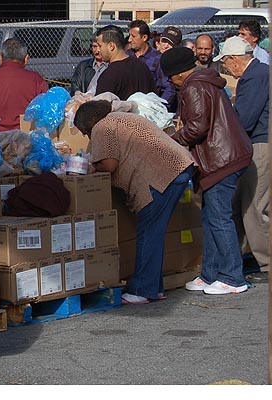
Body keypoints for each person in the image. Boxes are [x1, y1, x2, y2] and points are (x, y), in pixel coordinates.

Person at [73, 101, 195, 304]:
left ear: (88, 124)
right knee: (154, 230)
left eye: (85, 132)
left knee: (149, 231)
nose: (87, 136)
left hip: (158, 176)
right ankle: (154, 288)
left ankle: (142, 289)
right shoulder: (124, 118)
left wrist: (91, 167)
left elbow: (110, 164)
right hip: (179, 166)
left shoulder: (102, 127)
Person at [160, 47, 252, 295]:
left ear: (179, 74)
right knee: (211, 217)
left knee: (219, 217)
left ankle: (233, 277)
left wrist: (172, 139)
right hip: (226, 155)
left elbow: (197, 127)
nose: (170, 82)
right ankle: (210, 274)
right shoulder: (206, 81)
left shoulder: (193, 87)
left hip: (221, 159)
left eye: (170, 77)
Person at [216, 36, 270, 277]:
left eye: (225, 63)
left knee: (255, 207)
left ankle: (267, 263)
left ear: (234, 60)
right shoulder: (259, 72)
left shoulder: (254, 76)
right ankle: (232, 259)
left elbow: (245, 118)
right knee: (242, 204)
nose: (226, 68)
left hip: (260, 143)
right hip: (258, 142)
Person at [126, 20, 176, 111]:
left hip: (148, 110)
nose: (129, 40)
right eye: (129, 36)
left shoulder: (158, 59)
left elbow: (168, 88)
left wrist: (158, 109)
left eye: (133, 36)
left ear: (144, 37)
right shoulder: (125, 56)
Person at [95, 27, 155, 101]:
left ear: (111, 46)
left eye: (100, 46)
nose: (98, 50)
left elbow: (99, 108)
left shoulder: (109, 75)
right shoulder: (142, 67)